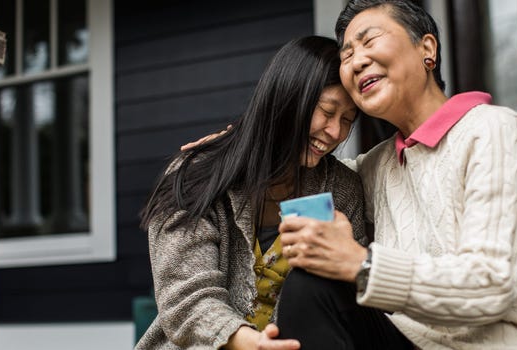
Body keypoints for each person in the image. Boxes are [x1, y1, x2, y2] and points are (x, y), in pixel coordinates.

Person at [274, 0, 517, 349]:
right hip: (413, 343)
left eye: (369, 40)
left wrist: (361, 264)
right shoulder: (379, 166)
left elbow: (490, 284)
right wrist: (223, 147)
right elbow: (300, 167)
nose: (357, 60)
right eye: (347, 55)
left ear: (427, 49)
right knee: (311, 286)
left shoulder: (496, 132)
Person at [135, 35, 368, 350]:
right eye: (327, 112)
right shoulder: (197, 176)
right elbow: (186, 298)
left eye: (347, 121)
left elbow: (344, 298)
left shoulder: (341, 190)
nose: (336, 133)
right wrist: (248, 342)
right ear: (287, 99)